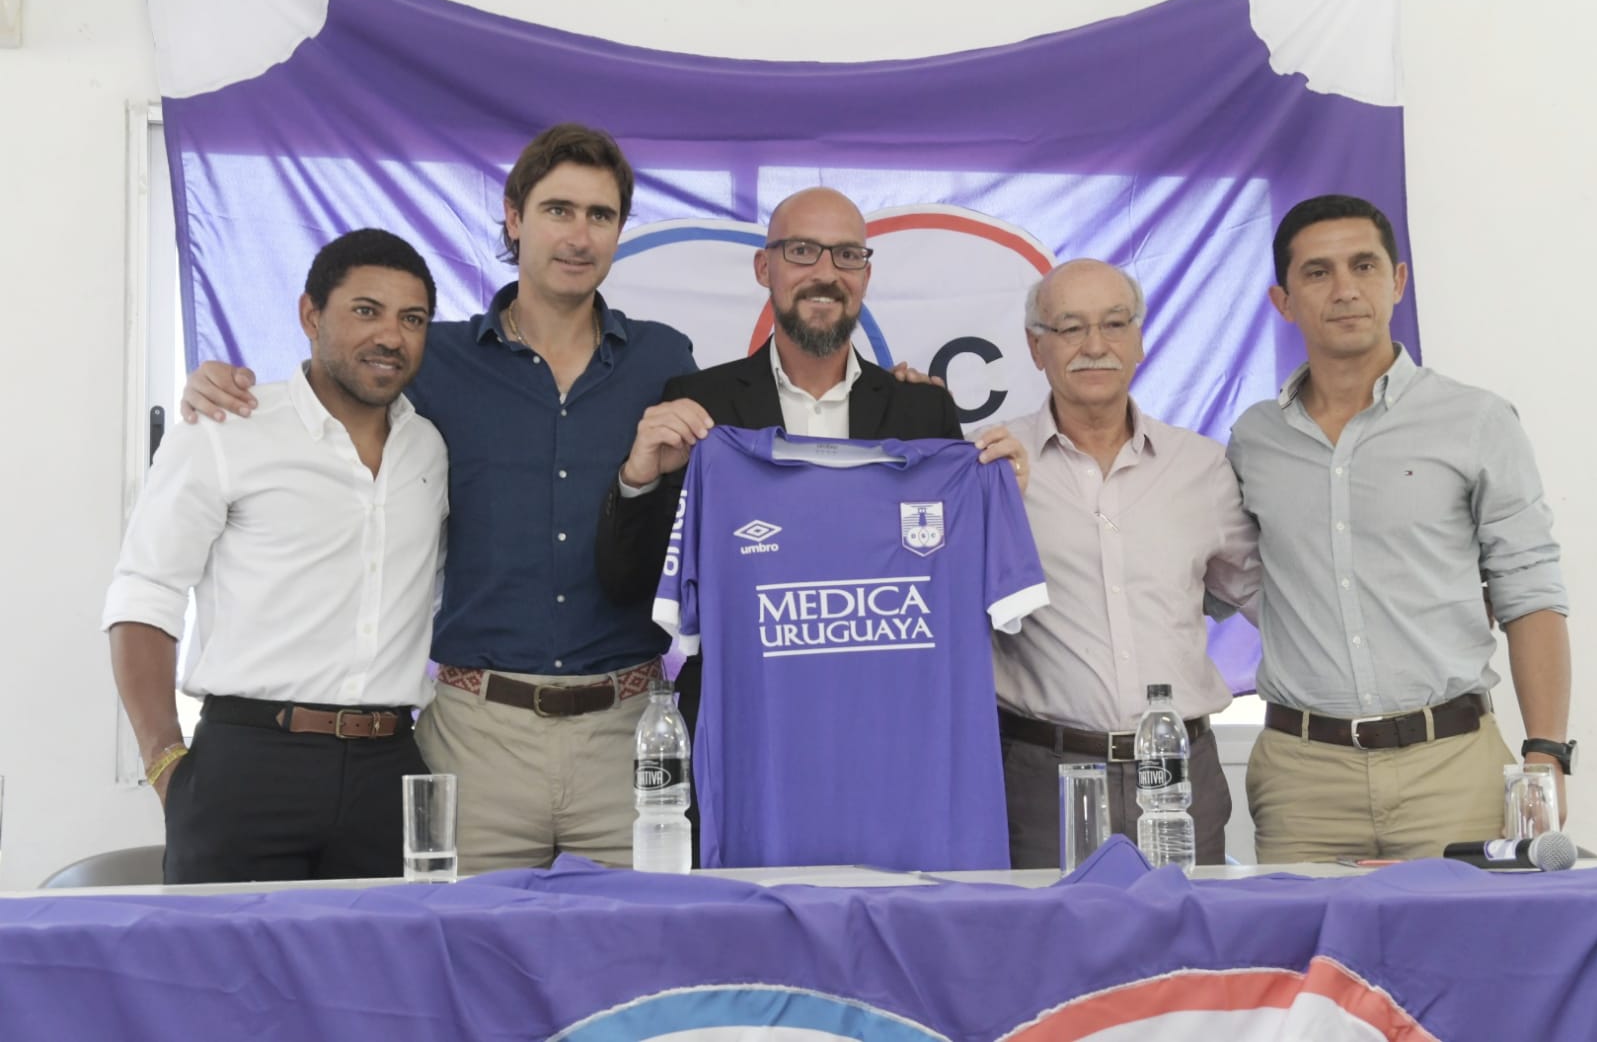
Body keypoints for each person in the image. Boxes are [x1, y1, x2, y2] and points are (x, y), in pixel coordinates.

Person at [179, 124, 699, 872]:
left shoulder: (663, 356)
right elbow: (326, 403)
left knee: (649, 938)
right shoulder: (436, 359)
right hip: (475, 736)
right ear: (514, 218)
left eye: (600, 214)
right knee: (460, 943)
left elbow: (742, 444)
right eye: (557, 210)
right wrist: (218, 386)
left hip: (627, 732)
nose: (579, 235)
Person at [595, 187, 1026, 764]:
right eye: (802, 251)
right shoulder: (700, 406)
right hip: (749, 726)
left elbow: (957, 586)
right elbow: (633, 583)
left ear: (865, 275)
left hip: (890, 725)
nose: (826, 273)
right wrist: (639, 478)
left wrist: (1002, 498)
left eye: (847, 255)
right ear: (763, 267)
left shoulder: (923, 411)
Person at [1227, 194, 1572, 863]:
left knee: (1462, 935)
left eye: (1363, 265)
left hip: (1451, 769)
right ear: (1282, 301)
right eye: (1317, 272)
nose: (1345, 289)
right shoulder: (1254, 440)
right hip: (1302, 782)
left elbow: (1529, 592)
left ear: (1398, 281)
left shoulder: (1475, 421)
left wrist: (1545, 754)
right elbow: (1209, 571)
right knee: (1302, 937)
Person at [104, 229, 447, 883]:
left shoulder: (431, 447)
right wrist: (164, 763)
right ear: (310, 315)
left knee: (384, 952)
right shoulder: (227, 429)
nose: (391, 336)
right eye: (366, 311)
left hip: (390, 769)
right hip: (247, 764)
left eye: (412, 319)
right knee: (221, 952)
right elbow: (144, 594)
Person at [992, 259, 1259, 867]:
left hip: (1181, 775)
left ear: (1139, 339)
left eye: (1114, 324)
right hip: (1042, 776)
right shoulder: (994, 464)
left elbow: (1269, 596)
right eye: (1070, 328)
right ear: (1036, 346)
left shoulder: (1201, 466)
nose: (1095, 346)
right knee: (1049, 931)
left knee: (1190, 930)